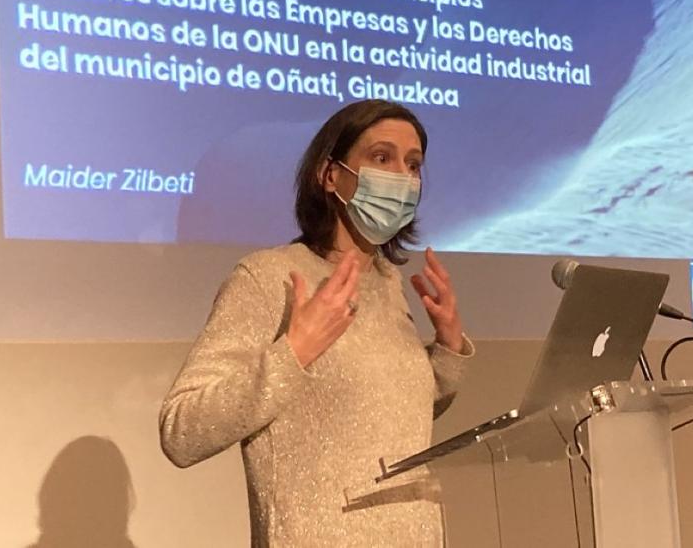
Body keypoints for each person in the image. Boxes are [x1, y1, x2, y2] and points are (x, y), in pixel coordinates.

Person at [159, 99, 474, 547]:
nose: (402, 177)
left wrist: (447, 350)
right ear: (330, 174)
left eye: (413, 165)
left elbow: (383, 417)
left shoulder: (388, 284)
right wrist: (293, 353)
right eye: (381, 157)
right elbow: (182, 430)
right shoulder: (268, 277)